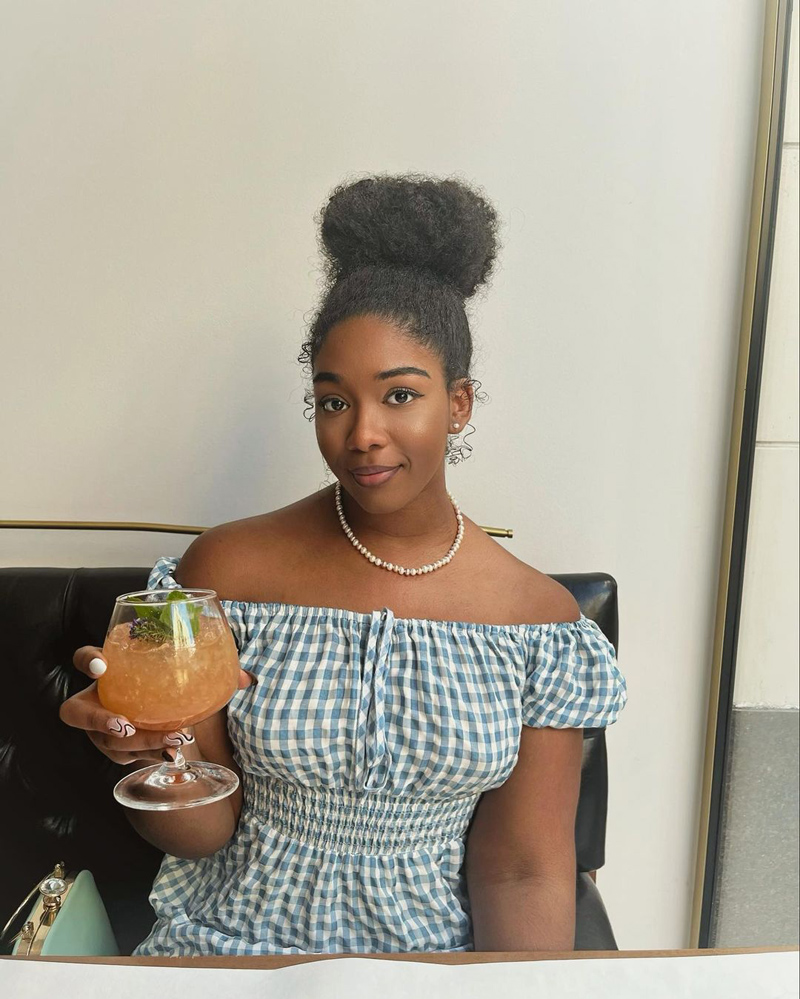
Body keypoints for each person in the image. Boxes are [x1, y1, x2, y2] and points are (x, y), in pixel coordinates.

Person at [59, 173, 628, 955]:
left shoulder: (535, 621)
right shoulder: (229, 569)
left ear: (458, 404)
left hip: (425, 965)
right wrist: (157, 750)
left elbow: (522, 872)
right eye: (333, 400)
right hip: (234, 947)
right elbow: (202, 834)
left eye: (400, 396)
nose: (361, 432)